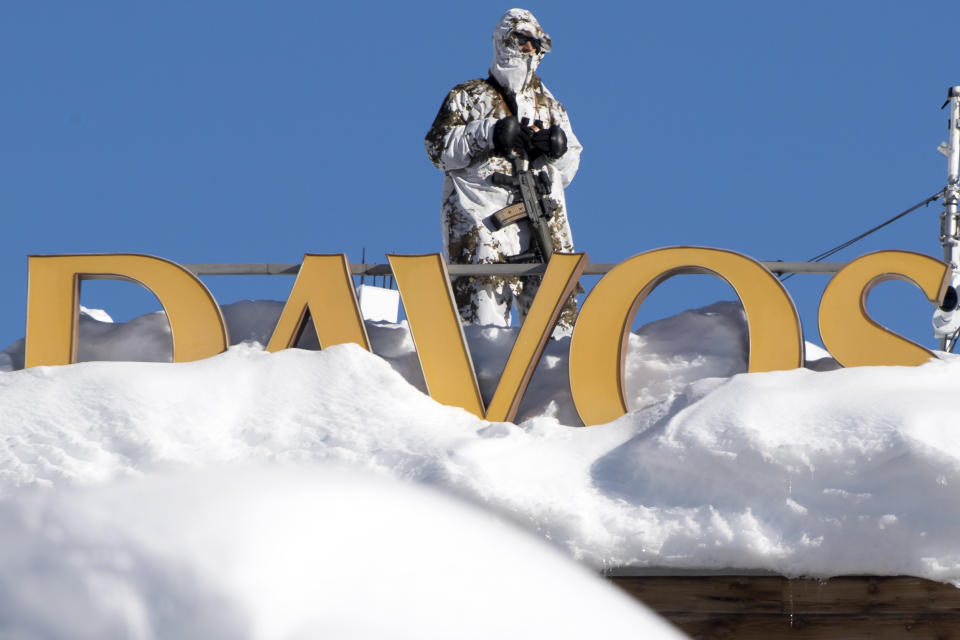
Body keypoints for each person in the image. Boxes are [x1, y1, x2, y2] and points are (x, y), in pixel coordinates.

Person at [425, 8, 582, 332]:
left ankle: (556, 379)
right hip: (483, 220)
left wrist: (557, 148)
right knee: (483, 314)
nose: (529, 49)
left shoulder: (550, 105)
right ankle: (484, 376)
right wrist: (488, 133)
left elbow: (569, 168)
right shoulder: (468, 96)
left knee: (556, 319)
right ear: (504, 40)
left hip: (544, 223)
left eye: (536, 43)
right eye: (522, 40)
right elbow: (438, 149)